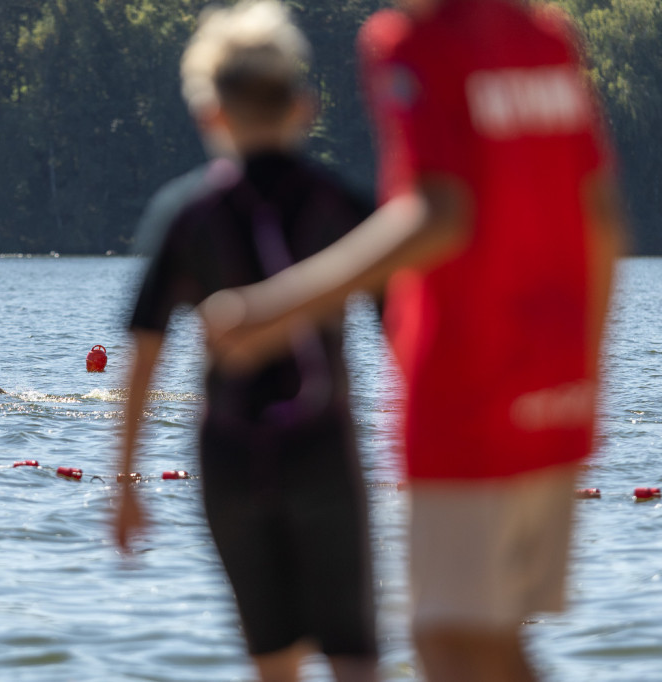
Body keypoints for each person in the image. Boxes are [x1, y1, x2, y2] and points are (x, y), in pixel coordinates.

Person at [199, 0, 626, 680]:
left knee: (448, 641)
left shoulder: (414, 42)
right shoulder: (546, 36)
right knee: (487, 642)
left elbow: (439, 214)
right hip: (558, 389)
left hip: (469, 395)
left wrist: (272, 308)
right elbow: (601, 218)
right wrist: (585, 381)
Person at [113, 3, 378, 681]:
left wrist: (125, 485)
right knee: (351, 654)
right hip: (322, 444)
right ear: (304, 107)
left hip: (228, 454)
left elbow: (145, 353)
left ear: (211, 115)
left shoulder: (186, 214)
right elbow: (405, 336)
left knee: (272, 660)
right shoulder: (342, 207)